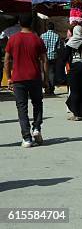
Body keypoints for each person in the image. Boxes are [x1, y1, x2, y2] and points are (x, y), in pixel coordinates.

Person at [4, 14, 48, 147]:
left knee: (22, 107)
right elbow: (44, 60)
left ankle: (26, 137)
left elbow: (7, 60)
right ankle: (36, 128)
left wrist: (9, 78)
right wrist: (45, 79)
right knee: (37, 104)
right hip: (34, 76)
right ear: (31, 23)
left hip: (18, 78)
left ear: (19, 23)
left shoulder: (13, 40)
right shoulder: (37, 39)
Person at [40, 22, 60, 95]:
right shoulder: (56, 36)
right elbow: (58, 48)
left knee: (44, 72)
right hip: (53, 56)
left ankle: (45, 87)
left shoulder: (42, 36)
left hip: (43, 56)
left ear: (47, 28)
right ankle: (51, 89)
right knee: (52, 73)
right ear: (53, 28)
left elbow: (40, 47)